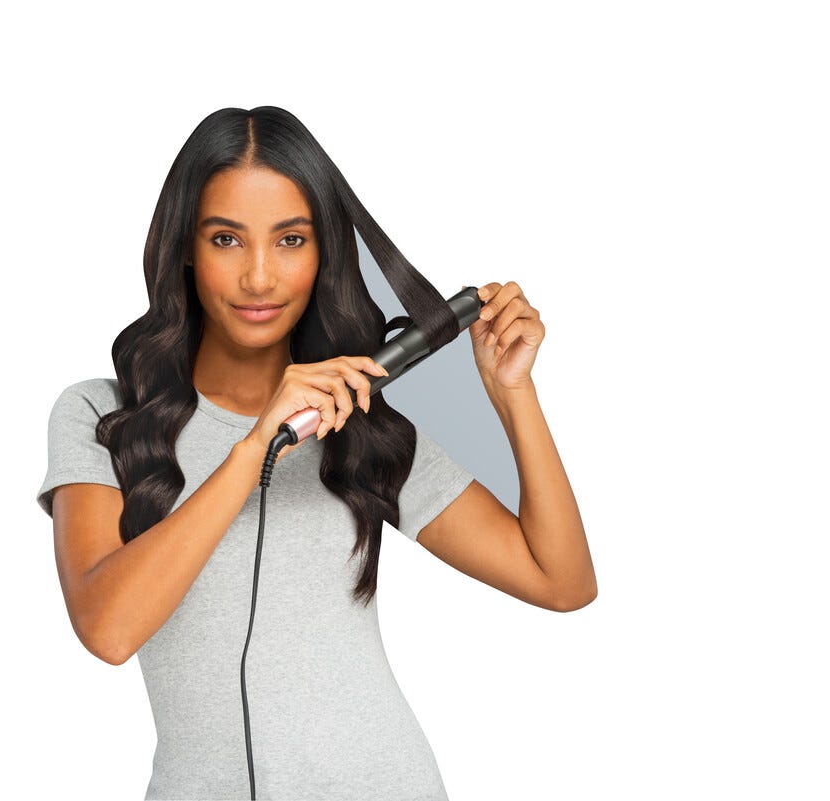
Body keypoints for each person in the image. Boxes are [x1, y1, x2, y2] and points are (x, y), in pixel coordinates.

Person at [36, 106, 596, 801]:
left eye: (291, 239)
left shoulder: (359, 424)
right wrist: (254, 447)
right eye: (226, 239)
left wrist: (512, 393)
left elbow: (562, 582)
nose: (260, 277)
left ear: (323, 252)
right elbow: (108, 628)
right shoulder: (101, 416)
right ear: (185, 247)